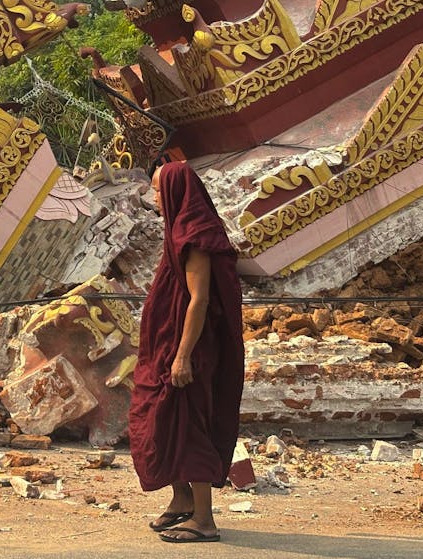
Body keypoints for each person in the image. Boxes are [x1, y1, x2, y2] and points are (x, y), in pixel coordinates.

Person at [128, 161, 245, 544]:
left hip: (188, 348)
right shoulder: (177, 228)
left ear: (176, 192)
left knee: (189, 424)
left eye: (158, 190)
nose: (154, 198)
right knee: (160, 419)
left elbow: (199, 300)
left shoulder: (196, 235)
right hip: (165, 345)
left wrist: (182, 357)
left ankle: (204, 519)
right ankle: (182, 500)